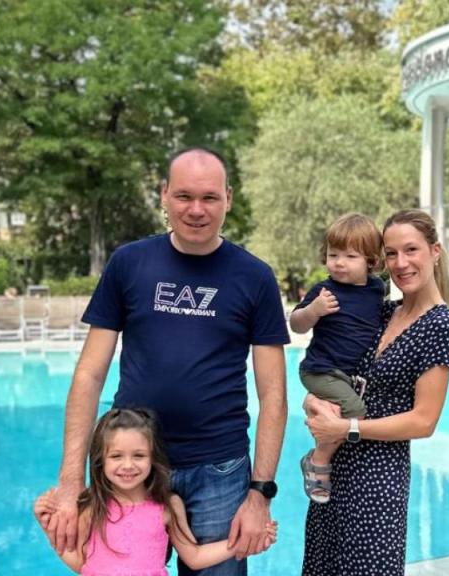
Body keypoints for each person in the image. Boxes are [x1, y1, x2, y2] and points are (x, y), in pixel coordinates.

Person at [37, 147, 290, 576]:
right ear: (164, 195)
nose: (196, 209)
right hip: (129, 464)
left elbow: (274, 396)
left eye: (209, 197)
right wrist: (70, 480)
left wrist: (259, 494)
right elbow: (89, 374)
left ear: (228, 199)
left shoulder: (255, 277)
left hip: (219, 469)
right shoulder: (129, 263)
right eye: (184, 196)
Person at [300, 209, 449, 575]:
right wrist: (313, 399)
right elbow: (335, 365)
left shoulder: (439, 325)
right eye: (391, 253)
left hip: (378, 479)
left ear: (434, 251)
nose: (400, 263)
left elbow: (424, 421)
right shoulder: (383, 312)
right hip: (331, 473)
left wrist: (347, 429)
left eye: (411, 250)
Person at [33, 408, 278, 574]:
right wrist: (48, 528)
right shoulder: (93, 507)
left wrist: (243, 543)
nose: (128, 465)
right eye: (116, 456)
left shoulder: (168, 507)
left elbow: (194, 557)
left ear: (152, 458)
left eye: (138, 455)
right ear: (101, 461)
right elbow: (82, 563)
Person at [289, 213, 385, 504]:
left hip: (345, 376)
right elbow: (296, 324)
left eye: (350, 256)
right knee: (356, 410)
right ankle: (318, 460)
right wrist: (314, 310)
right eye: (333, 255)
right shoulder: (324, 291)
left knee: (335, 411)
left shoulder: (376, 289)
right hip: (321, 371)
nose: (339, 262)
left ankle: (318, 414)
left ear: (371, 261)